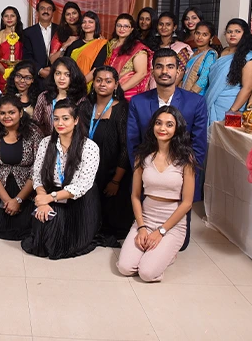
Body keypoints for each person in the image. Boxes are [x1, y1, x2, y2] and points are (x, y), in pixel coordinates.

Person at [127, 48, 207, 249]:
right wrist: (144, 171)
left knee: (181, 245)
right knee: (142, 243)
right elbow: (133, 142)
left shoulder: (195, 102)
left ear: (178, 71)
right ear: (152, 71)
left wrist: (183, 174)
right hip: (149, 174)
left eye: (170, 66)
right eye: (159, 66)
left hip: (179, 176)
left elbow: (198, 145)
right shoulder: (138, 102)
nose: (165, 71)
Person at [117, 106, 195, 282]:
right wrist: (142, 227)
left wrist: (161, 231)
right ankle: (154, 253)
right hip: (146, 218)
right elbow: (135, 196)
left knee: (147, 273)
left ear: (177, 129)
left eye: (169, 124)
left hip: (172, 224)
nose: (162, 128)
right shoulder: (142, 156)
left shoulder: (186, 159)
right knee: (125, 268)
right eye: (159, 123)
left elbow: (187, 203)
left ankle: (167, 253)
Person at [21, 98, 101, 259]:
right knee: (42, 239)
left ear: (76, 120)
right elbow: (37, 175)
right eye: (56, 118)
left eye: (65, 118)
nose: (60, 123)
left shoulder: (89, 147)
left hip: (78, 200)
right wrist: (42, 199)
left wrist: (49, 198)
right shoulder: (45, 143)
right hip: (50, 193)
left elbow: (82, 186)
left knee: (58, 244)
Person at [0, 95, 43, 241]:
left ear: (21, 113)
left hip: (26, 189)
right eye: (3, 113)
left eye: (12, 112)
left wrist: (18, 200)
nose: (7, 117)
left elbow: (38, 168)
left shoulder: (34, 133)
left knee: (24, 226)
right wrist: (6, 200)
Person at [88, 67, 132, 240]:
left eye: (108, 81)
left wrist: (116, 180)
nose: (102, 84)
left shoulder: (122, 109)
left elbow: (125, 147)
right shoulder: (86, 106)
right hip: (90, 171)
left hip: (113, 172)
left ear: (115, 85)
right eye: (98, 80)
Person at [205, 19, 252, 125]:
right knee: (211, 138)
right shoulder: (223, 51)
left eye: (237, 31)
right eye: (229, 32)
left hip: (233, 104)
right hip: (213, 100)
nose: (232, 35)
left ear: (245, 34)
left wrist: (232, 110)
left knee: (228, 137)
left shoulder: (249, 57)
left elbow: (248, 88)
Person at [32, 57, 91, 137]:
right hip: (48, 144)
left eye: (67, 74)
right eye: (58, 73)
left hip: (72, 145)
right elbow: (36, 125)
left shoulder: (80, 100)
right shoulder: (44, 97)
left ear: (73, 76)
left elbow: (82, 131)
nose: (61, 78)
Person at [106, 13, 152, 101]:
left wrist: (119, 90)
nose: (121, 29)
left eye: (126, 26)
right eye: (119, 25)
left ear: (131, 29)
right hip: (109, 86)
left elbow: (141, 73)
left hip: (127, 91)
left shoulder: (138, 48)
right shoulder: (111, 43)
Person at [65, 11, 108, 84]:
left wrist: (80, 84)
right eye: (84, 22)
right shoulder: (75, 43)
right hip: (70, 82)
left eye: (90, 22)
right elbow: (66, 64)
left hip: (88, 84)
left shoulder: (101, 44)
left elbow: (96, 68)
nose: (86, 24)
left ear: (96, 24)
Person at [151, 12, 193, 86]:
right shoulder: (153, 47)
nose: (164, 27)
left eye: (168, 24)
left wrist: (166, 90)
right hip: (150, 88)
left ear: (174, 27)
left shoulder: (181, 48)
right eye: (161, 24)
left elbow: (180, 73)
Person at [23, 0, 58, 81]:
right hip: (35, 77)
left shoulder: (60, 31)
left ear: (53, 12)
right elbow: (27, 56)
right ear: (37, 12)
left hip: (57, 76)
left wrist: (53, 69)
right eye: (42, 9)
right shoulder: (28, 32)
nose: (46, 11)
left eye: (49, 9)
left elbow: (65, 54)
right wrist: (40, 70)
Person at [180, 21, 218, 95]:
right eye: (197, 33)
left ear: (211, 38)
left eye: (205, 35)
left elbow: (204, 78)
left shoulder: (210, 54)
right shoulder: (193, 52)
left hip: (197, 95)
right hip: (185, 92)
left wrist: (191, 94)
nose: (200, 37)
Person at [0, 6, 24, 91]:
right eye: (6, 16)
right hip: (3, 75)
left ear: (17, 18)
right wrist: (8, 74)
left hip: (21, 75)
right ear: (3, 19)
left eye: (12, 16)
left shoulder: (24, 35)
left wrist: (18, 74)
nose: (9, 18)